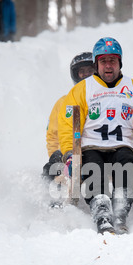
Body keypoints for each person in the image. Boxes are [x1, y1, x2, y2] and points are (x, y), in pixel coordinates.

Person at [58, 37, 133, 235]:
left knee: (125, 163)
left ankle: (121, 212)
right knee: (92, 167)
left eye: (112, 60)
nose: (108, 65)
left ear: (119, 63)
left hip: (123, 145)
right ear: (96, 64)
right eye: (103, 61)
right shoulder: (81, 89)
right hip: (90, 146)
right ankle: (102, 214)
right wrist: (69, 153)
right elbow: (66, 124)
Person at [43, 52, 95, 180]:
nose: (86, 74)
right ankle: (50, 197)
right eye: (82, 71)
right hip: (69, 152)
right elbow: (52, 135)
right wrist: (57, 154)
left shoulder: (107, 97)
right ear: (75, 75)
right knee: (50, 168)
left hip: (96, 149)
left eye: (90, 70)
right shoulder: (63, 102)